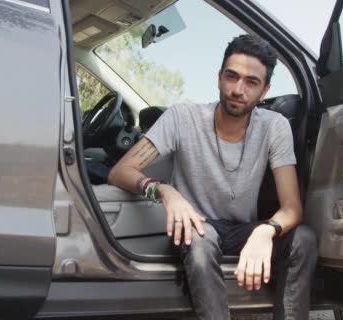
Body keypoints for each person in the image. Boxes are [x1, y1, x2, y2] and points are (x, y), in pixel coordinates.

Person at [107, 34, 318, 320]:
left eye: (251, 82)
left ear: (265, 89)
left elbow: (292, 208)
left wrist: (265, 231)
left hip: (243, 229)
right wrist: (165, 192)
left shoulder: (275, 127)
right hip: (196, 228)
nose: (238, 89)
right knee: (199, 240)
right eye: (232, 76)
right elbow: (119, 171)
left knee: (303, 238)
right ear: (219, 77)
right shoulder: (182, 117)